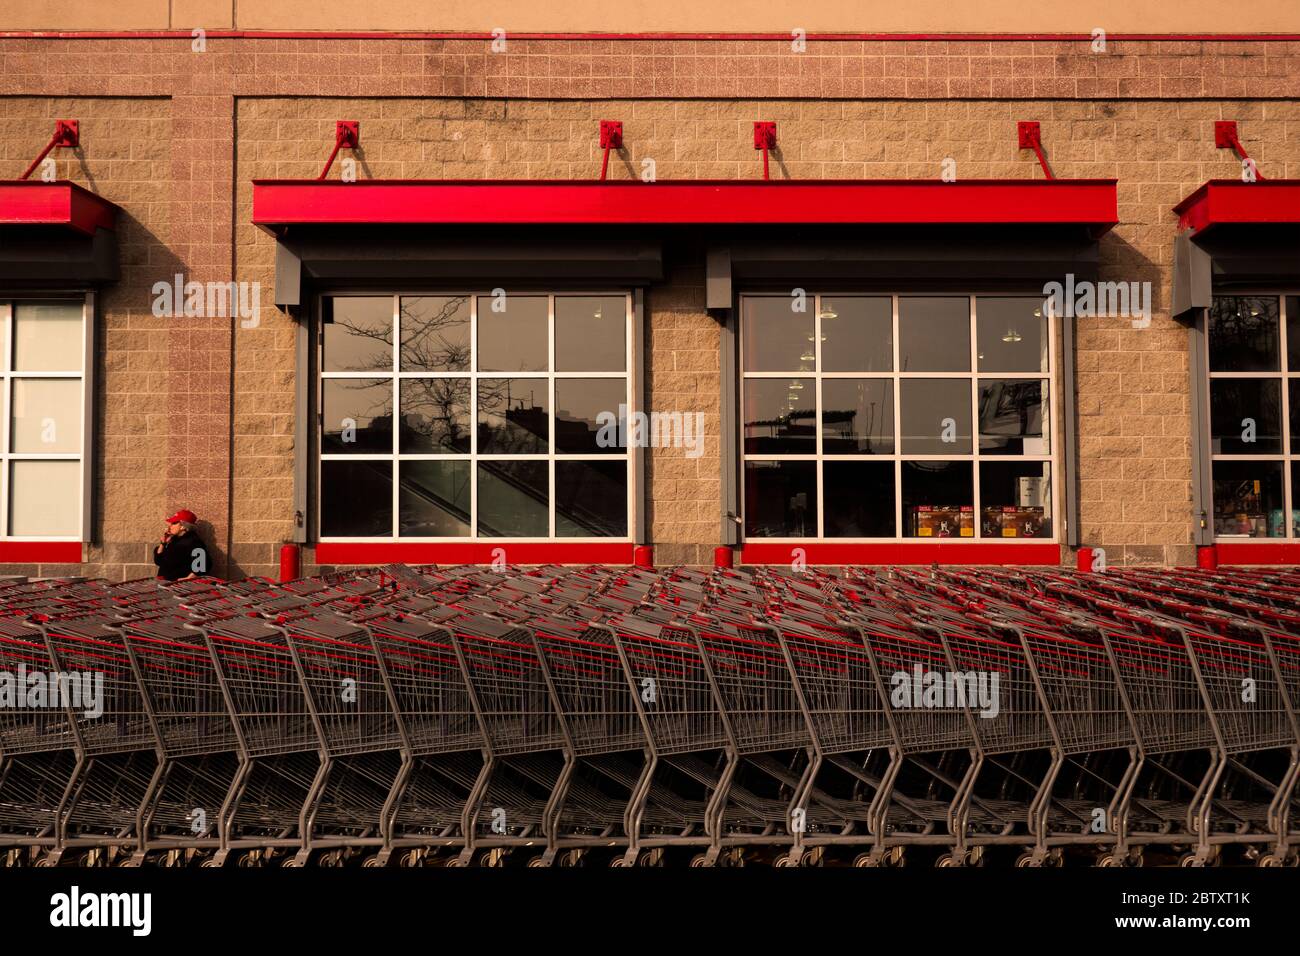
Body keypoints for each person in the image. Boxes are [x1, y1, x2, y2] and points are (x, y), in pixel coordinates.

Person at [153, 509, 210, 582]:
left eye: (174, 523)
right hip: (166, 584)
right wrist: (163, 544)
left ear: (182, 526)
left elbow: (203, 563)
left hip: (179, 587)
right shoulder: (173, 540)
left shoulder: (193, 541)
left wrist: (189, 578)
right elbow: (159, 561)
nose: (169, 526)